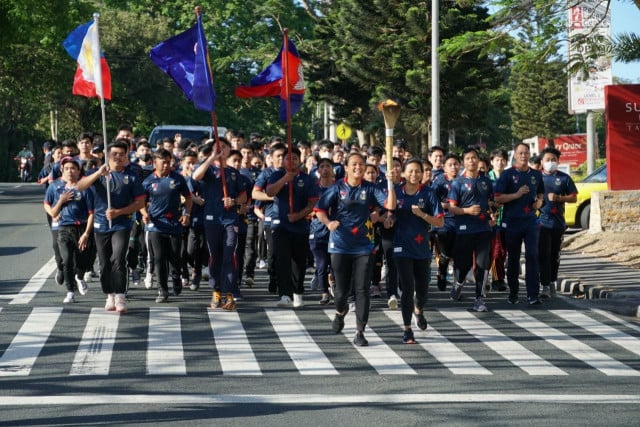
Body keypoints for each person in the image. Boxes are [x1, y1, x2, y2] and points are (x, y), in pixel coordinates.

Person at [315, 152, 396, 347]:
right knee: (342, 291)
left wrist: (390, 184)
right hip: (340, 244)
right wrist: (328, 222)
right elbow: (319, 209)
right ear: (346, 167)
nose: (358, 168)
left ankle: (360, 331)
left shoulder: (370, 188)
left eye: (361, 164)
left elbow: (390, 205)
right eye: (354, 164)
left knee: (362, 290)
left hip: (363, 245)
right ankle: (340, 313)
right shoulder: (337, 188)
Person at [76, 139, 146, 313]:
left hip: (122, 223)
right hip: (101, 224)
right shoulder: (97, 173)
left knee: (118, 258)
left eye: (122, 154)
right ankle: (110, 295)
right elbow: (80, 186)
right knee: (104, 262)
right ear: (107, 155)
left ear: (126, 156)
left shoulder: (131, 175)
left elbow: (140, 203)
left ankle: (121, 295)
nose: (118, 157)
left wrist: (119, 212)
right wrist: (99, 173)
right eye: (114, 154)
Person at [388, 158, 443, 344]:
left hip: (421, 248)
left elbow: (440, 221)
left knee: (422, 290)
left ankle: (418, 309)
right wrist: (389, 220)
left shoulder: (428, 194)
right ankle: (407, 329)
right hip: (401, 246)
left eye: (417, 171)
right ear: (403, 173)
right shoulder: (395, 192)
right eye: (410, 171)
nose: (414, 174)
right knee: (407, 287)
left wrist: (422, 214)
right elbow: (389, 213)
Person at [192, 138, 247, 311]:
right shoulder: (208, 169)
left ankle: (230, 294)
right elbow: (196, 176)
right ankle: (216, 291)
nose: (221, 150)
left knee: (229, 255)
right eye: (217, 148)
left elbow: (243, 196)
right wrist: (210, 158)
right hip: (211, 219)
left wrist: (234, 200)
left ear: (229, 149)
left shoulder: (234, 173)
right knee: (215, 256)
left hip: (230, 219)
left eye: (224, 147)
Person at [266, 147, 318, 308]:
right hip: (281, 226)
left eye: (295, 158)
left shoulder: (307, 179)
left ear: (300, 160)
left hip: (300, 227)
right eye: (288, 158)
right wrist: (285, 179)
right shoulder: (276, 174)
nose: (292, 161)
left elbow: (312, 203)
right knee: (282, 260)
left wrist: (299, 215)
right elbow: (269, 192)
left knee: (299, 263)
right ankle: (284, 294)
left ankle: (297, 291)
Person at [494, 142, 545, 305]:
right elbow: (498, 198)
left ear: (530, 155)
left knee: (532, 256)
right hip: (512, 222)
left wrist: (539, 202)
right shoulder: (508, 175)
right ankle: (514, 292)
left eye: (526, 153)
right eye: (520, 153)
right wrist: (516, 195)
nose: (524, 156)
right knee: (513, 258)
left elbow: (541, 193)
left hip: (530, 222)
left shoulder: (536, 175)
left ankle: (533, 294)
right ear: (515, 155)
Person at [141, 148, 192, 303]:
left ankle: (176, 276)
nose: (166, 165)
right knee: (159, 258)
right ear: (154, 163)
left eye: (168, 162)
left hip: (174, 224)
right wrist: (144, 213)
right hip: (155, 225)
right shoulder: (148, 181)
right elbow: (139, 201)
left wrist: (186, 214)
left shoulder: (178, 179)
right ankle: (162, 290)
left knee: (175, 256)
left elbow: (188, 198)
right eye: (163, 162)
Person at [447, 147, 495, 312]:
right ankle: (458, 283)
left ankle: (479, 299)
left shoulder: (486, 181)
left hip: (483, 229)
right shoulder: (457, 183)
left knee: (482, 264)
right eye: (468, 158)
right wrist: (467, 211)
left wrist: (492, 214)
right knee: (464, 265)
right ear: (463, 162)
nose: (471, 161)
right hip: (464, 229)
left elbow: (490, 203)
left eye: (474, 158)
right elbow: (452, 208)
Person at [44, 156, 94, 303]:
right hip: (64, 228)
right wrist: (61, 200)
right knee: (67, 260)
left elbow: (92, 213)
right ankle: (70, 291)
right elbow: (52, 211)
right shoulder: (55, 186)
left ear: (79, 171)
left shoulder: (85, 188)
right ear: (62, 170)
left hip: (82, 228)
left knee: (83, 261)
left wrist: (86, 233)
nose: (69, 171)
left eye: (73, 168)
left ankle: (79, 276)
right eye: (66, 168)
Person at [538, 146, 578, 298]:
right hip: (541, 223)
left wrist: (560, 198)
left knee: (554, 255)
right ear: (541, 162)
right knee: (544, 254)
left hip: (558, 224)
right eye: (547, 160)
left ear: (558, 161)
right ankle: (545, 285)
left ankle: (552, 281)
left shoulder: (564, 178)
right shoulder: (536, 178)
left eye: (553, 160)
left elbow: (574, 197)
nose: (550, 162)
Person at [431, 153, 460, 291]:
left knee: (458, 254)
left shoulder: (463, 180)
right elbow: (432, 201)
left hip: (460, 221)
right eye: (450, 165)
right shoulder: (439, 181)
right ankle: (441, 272)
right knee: (446, 252)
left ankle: (457, 284)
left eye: (455, 164)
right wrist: (446, 206)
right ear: (444, 167)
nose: (453, 167)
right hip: (444, 222)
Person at [309, 157, 335, 305]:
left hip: (336, 231)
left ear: (332, 170)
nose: (325, 169)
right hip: (318, 231)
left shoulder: (339, 187)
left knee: (336, 263)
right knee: (321, 263)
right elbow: (306, 207)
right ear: (318, 170)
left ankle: (335, 286)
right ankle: (324, 292)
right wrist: (312, 211)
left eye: (328, 166)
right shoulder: (313, 188)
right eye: (322, 167)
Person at [488, 149, 508, 292]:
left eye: (502, 160)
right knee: (495, 250)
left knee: (503, 251)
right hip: (491, 219)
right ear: (491, 162)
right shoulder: (487, 179)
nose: (500, 163)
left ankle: (499, 277)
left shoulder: (510, 178)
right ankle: (497, 279)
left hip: (507, 218)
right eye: (497, 160)